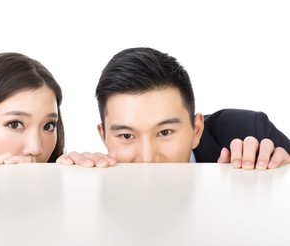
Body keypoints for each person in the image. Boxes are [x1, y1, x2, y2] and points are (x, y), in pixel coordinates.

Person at [57, 47, 290, 169]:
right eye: (127, 135)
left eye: (165, 132)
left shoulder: (249, 131)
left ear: (196, 129)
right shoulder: (95, 176)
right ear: (104, 136)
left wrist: (281, 174)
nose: (148, 160)